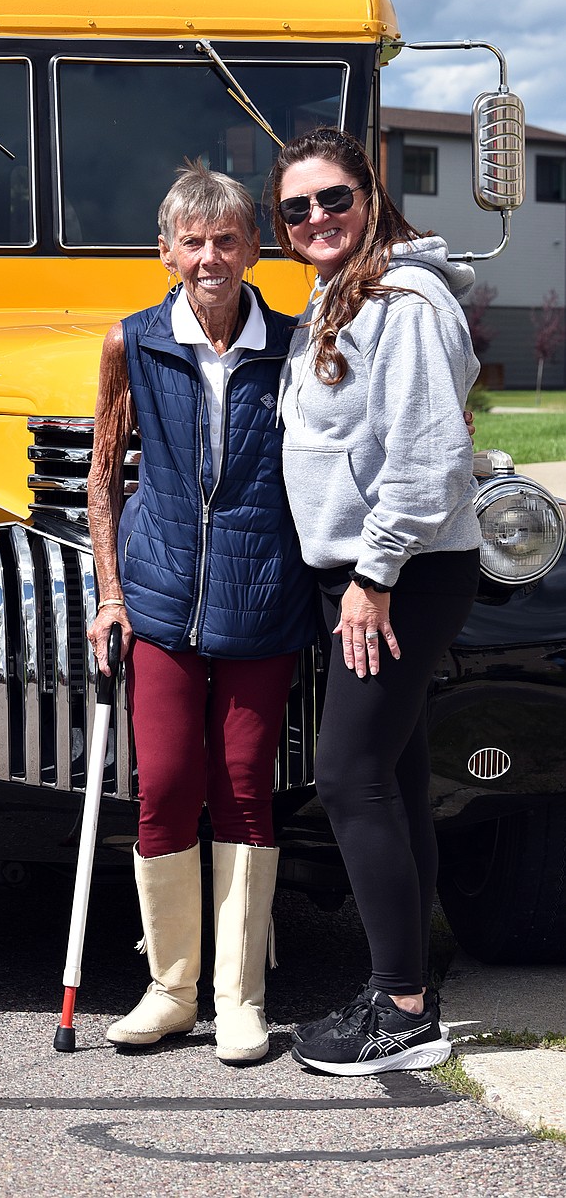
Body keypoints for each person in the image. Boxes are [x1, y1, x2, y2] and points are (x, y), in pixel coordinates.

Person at [86, 163, 316, 1064]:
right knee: (169, 785)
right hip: (159, 599)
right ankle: (170, 990)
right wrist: (110, 594)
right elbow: (105, 479)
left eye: (227, 239)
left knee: (246, 787)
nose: (210, 257)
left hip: (263, 600)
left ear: (255, 248)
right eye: (193, 240)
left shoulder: (296, 346)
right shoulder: (133, 343)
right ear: (166, 252)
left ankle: (241, 998)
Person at [272, 125, 479, 1077]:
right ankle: (406, 988)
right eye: (297, 208)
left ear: (371, 195)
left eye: (333, 199)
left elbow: (430, 457)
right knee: (392, 781)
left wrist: (374, 577)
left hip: (397, 578)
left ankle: (401, 1015)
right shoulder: (336, 295)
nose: (316, 217)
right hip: (361, 575)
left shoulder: (407, 299)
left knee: (347, 776)